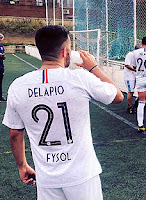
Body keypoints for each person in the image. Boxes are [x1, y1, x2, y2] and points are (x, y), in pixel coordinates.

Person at [2, 25, 123, 199]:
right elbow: (117, 96)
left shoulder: (18, 86)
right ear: (66, 53)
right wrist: (93, 67)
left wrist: (22, 166)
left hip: (47, 178)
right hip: (82, 176)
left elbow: (15, 133)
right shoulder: (80, 78)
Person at [124, 44, 141, 113]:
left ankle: (136, 105)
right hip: (129, 76)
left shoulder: (137, 56)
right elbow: (127, 65)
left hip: (135, 76)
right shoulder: (130, 55)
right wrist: (135, 70)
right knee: (130, 92)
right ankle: (129, 107)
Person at [0, 33, 6, 101]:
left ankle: (0, 96)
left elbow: (3, 55)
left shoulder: (1, 46)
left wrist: (3, 56)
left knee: (0, 82)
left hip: (1, 66)